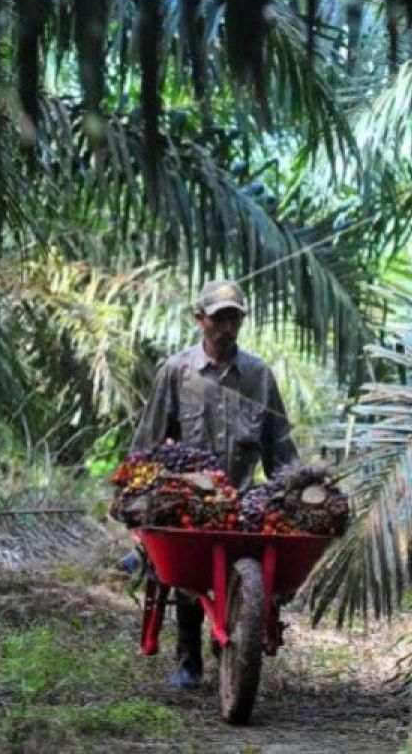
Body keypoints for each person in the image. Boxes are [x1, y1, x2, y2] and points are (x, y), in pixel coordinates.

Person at [129, 278, 298, 689]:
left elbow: (279, 446)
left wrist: (297, 495)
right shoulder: (177, 372)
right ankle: (188, 660)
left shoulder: (258, 375)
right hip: (189, 500)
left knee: (251, 566)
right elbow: (148, 443)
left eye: (233, 318)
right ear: (199, 319)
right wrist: (136, 506)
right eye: (218, 318)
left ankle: (238, 639)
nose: (226, 327)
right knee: (187, 570)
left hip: (241, 501)